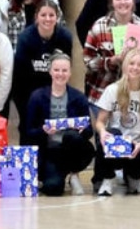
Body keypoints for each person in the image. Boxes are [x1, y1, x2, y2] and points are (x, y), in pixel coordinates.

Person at [25, 52, 95, 196]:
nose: (60, 74)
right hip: (50, 151)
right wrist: (43, 131)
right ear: (50, 71)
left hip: (72, 148)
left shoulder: (78, 97)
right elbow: (29, 131)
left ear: (70, 73)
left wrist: (82, 129)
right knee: (53, 189)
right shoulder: (37, 97)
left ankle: (74, 174)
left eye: (64, 70)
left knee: (71, 136)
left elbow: (89, 132)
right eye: (56, 70)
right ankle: (57, 176)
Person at [92, 49, 140, 197]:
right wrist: (102, 132)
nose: (135, 68)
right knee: (111, 134)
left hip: (138, 145)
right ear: (125, 66)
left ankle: (133, 176)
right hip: (118, 143)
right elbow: (100, 122)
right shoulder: (111, 90)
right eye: (131, 63)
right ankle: (108, 178)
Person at [13, 0, 73, 144]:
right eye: (43, 15)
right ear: (36, 17)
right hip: (26, 91)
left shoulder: (65, 37)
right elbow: (20, 75)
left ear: (57, 17)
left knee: (53, 130)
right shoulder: (26, 38)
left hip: (53, 90)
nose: (47, 19)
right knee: (29, 128)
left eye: (51, 15)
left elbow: (65, 70)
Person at [83, 0, 140, 105]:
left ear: (133, 0)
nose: (123, 2)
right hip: (101, 94)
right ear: (112, 2)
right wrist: (111, 61)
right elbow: (88, 61)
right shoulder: (98, 27)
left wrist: (135, 61)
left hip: (134, 98)